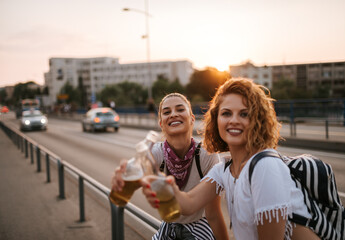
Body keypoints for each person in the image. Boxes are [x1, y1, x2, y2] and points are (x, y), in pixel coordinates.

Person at [142, 79, 320, 240]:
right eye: (226, 113)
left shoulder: (265, 166)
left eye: (244, 114)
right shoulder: (225, 168)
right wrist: (167, 187)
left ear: (257, 120)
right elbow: (189, 204)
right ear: (216, 119)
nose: (234, 120)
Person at [111, 93, 228, 240]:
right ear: (161, 123)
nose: (173, 114)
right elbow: (135, 176)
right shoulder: (155, 153)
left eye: (180, 109)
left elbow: (213, 213)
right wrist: (121, 180)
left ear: (192, 119)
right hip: (168, 226)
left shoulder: (206, 155)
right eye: (167, 112)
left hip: (199, 226)